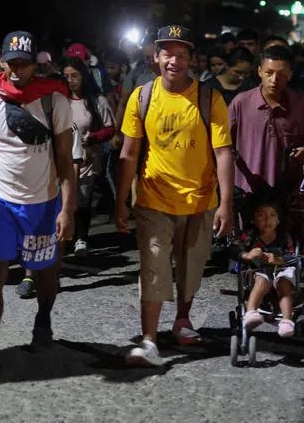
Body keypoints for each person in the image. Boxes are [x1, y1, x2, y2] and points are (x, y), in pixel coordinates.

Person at [115, 25, 235, 367]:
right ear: (156, 57)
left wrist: (226, 202)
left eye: (181, 55)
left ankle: (182, 319)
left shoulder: (209, 98)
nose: (174, 61)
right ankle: (150, 340)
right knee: (153, 267)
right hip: (154, 198)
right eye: (167, 53)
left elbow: (223, 152)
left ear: (191, 60)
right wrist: (121, 200)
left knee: (190, 267)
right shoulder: (142, 96)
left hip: (200, 200)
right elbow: (129, 153)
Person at [0, 31, 76, 381]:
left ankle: (43, 315)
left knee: (45, 273)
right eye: (11, 63)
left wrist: (67, 210)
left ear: (34, 66)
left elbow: (65, 162)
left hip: (43, 203)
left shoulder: (54, 101)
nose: (16, 70)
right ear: (2, 61)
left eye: (24, 64)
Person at [228, 45, 304, 253]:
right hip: (248, 189)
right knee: (252, 245)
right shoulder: (241, 103)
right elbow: (225, 144)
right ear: (259, 71)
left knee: (283, 245)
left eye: (281, 73)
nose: (274, 79)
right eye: (269, 73)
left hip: (285, 188)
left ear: (290, 74)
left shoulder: (301, 104)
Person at [61, 56, 116, 252]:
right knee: (64, 198)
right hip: (62, 159)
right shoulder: (59, 101)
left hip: (87, 159)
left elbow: (110, 129)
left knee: (82, 199)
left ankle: (81, 237)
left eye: (74, 76)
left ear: (83, 76)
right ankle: (65, 234)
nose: (70, 80)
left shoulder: (95, 101)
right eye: (66, 76)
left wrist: (92, 138)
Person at [237, 198, 297, 337]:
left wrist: (280, 259)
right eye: (261, 215)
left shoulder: (284, 236)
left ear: (279, 219)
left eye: (272, 215)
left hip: (281, 270)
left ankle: (287, 320)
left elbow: (293, 256)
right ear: (252, 219)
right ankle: (251, 312)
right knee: (261, 280)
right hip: (258, 272)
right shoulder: (249, 236)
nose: (267, 220)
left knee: (284, 283)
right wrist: (247, 254)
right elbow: (234, 249)